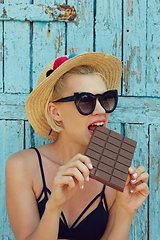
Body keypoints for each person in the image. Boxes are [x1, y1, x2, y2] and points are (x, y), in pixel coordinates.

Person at [5, 52, 149, 240]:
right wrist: (54, 206)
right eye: (86, 100)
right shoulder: (22, 166)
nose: (101, 110)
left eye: (106, 99)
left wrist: (125, 211)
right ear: (55, 112)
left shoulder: (112, 163)